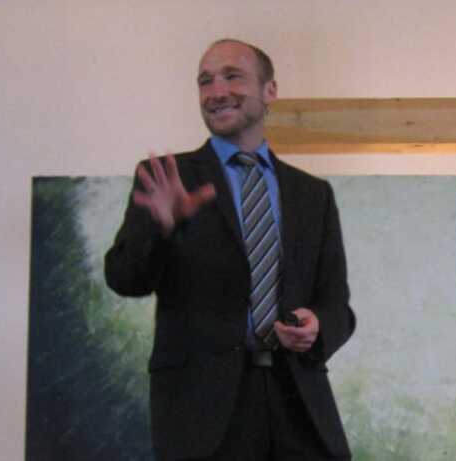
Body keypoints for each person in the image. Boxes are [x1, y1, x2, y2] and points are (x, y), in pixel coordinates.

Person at [105, 38, 355, 461]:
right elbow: (124, 278)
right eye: (205, 82)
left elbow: (337, 305)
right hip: (203, 415)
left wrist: (317, 327)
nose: (216, 91)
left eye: (232, 76)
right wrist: (161, 229)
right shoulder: (167, 178)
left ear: (269, 90)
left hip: (300, 406)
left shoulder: (313, 194)